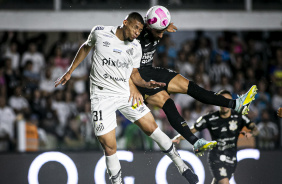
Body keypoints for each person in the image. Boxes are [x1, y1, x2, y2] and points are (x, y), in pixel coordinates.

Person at [55, 12, 198, 184]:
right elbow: (86, 47)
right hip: (101, 97)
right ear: (125, 23)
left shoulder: (135, 47)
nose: (138, 32)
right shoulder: (100, 32)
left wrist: (145, 84)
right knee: (109, 147)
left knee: (152, 127)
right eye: (135, 28)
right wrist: (70, 71)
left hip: (124, 93)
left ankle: (182, 166)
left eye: (140, 29)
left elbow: (135, 75)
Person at [136, 5, 257, 155]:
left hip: (149, 69)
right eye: (159, 31)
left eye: (163, 30)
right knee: (168, 103)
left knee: (190, 86)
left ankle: (235, 104)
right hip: (138, 78)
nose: (161, 36)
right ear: (148, 26)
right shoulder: (135, 33)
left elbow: (158, 27)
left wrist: (164, 26)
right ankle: (196, 142)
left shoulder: (155, 26)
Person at [172, 90, 259, 184]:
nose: (225, 104)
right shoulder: (210, 118)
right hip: (216, 157)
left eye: (228, 101)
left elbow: (255, 129)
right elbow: (192, 130)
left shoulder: (239, 117)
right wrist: (178, 137)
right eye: (222, 100)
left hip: (232, 158)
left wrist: (251, 134)